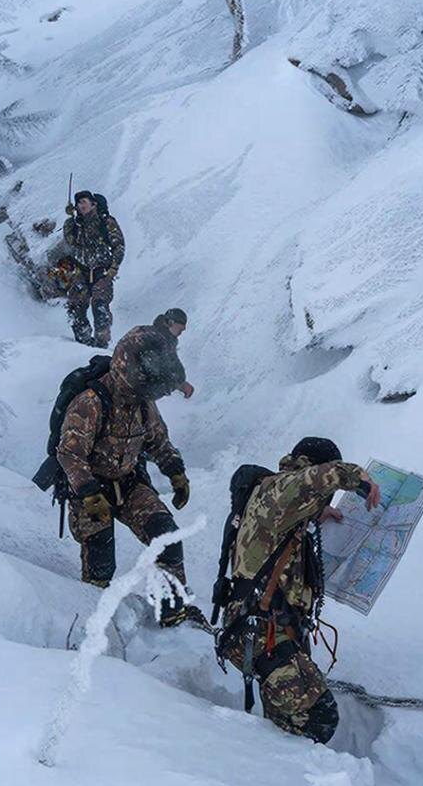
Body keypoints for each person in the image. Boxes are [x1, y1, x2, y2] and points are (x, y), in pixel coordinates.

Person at [216, 438, 380, 743]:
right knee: (319, 716)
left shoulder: (280, 502)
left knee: (289, 722)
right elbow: (317, 478)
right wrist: (361, 478)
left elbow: (282, 517)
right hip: (260, 633)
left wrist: (317, 513)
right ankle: (267, 769)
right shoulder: (278, 489)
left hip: (272, 634)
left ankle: (270, 767)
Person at [56, 323, 201, 627]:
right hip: (92, 489)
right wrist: (88, 491)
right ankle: (95, 617)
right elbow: (70, 453)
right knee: (100, 557)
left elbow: (158, 440)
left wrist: (175, 471)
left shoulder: (142, 404)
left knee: (167, 537)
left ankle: (174, 610)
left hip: (130, 482)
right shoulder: (91, 402)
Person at [49, 190, 125, 348]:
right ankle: (82, 343)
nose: (80, 205)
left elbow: (119, 245)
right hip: (81, 270)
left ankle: (101, 344)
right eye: (78, 203)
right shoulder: (76, 224)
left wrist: (113, 269)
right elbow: (70, 240)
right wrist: (70, 220)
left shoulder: (106, 222)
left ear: (93, 204)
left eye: (84, 201)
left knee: (100, 305)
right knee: (76, 305)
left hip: (102, 271)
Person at [118, 308, 195, 399]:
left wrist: (180, 382)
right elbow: (160, 370)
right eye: (180, 329)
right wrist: (178, 384)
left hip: (123, 382)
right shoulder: (156, 340)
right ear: (170, 323)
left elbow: (171, 366)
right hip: (127, 391)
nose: (181, 333)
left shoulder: (153, 333)